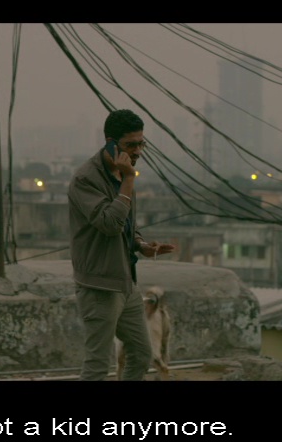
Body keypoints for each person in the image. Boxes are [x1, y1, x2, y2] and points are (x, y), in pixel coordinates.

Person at [68, 108, 176, 381]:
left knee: (142, 353)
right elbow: (110, 224)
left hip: (125, 281)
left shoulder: (122, 173)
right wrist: (128, 179)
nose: (138, 151)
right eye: (131, 145)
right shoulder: (86, 179)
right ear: (110, 143)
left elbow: (126, 224)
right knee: (97, 365)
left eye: (141, 144)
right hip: (100, 286)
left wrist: (141, 245)